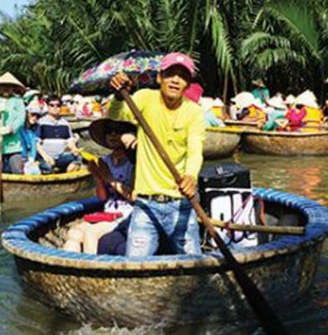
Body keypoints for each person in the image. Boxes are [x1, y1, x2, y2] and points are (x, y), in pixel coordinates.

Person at [107, 52, 206, 257]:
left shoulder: (194, 112)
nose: (176, 80)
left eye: (182, 76)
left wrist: (191, 176)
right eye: (171, 74)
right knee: (134, 266)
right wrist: (118, 95)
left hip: (180, 203)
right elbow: (117, 114)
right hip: (146, 204)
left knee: (194, 266)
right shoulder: (145, 98)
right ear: (160, 77)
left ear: (187, 84)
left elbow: (195, 149)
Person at [64, 119, 137, 255]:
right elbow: (103, 197)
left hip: (125, 217)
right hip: (106, 214)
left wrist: (108, 177)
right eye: (109, 132)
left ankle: (92, 271)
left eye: (118, 131)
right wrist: (98, 176)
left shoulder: (134, 163)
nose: (113, 135)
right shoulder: (105, 161)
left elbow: (133, 197)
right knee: (73, 234)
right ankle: (73, 273)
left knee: (90, 234)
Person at [36, 95, 83, 173]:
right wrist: (45, 156)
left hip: (61, 157)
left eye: (58, 105)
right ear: (47, 106)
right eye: (52, 105)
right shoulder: (40, 123)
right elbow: (36, 143)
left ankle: (68, 176)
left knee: (78, 158)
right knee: (47, 167)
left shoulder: (65, 124)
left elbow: (70, 141)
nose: (55, 107)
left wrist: (74, 149)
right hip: (46, 157)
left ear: (61, 107)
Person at [19, 103, 53, 175]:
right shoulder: (20, 127)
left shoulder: (37, 127)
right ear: (27, 114)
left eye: (37, 116)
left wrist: (45, 157)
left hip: (33, 157)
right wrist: (27, 161)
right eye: (32, 114)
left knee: (48, 167)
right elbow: (22, 144)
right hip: (21, 157)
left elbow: (35, 143)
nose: (35, 118)